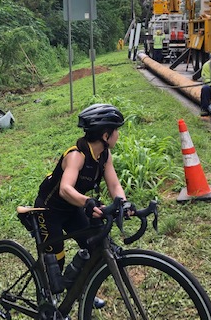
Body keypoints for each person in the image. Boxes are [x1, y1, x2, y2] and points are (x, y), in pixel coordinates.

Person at [34, 103, 128, 309]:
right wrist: (87, 202)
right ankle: (48, 301)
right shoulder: (76, 155)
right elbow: (65, 189)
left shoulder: (104, 155)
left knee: (93, 246)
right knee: (55, 258)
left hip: (72, 208)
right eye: (116, 130)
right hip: (49, 210)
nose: (118, 134)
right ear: (105, 135)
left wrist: (123, 202)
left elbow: (113, 184)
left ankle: (81, 289)